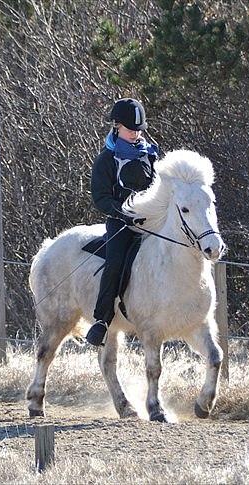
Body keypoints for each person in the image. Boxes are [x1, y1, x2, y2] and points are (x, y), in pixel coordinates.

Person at [86, 98, 160, 346]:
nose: (135, 134)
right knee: (115, 262)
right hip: (122, 224)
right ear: (116, 126)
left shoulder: (151, 154)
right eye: (130, 129)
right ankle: (102, 320)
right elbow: (100, 197)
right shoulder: (106, 160)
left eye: (139, 130)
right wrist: (123, 213)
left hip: (151, 222)